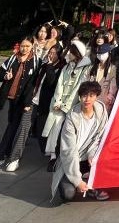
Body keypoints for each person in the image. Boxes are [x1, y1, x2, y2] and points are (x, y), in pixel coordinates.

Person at [0, 38, 40, 170]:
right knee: (0, 127)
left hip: (21, 101)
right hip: (6, 98)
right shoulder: (12, 59)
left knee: (13, 129)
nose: (24, 48)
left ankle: (8, 155)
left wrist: (27, 102)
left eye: (27, 46)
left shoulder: (36, 62)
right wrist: (5, 76)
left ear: (32, 47)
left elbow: (33, 85)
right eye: (22, 46)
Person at [50, 81, 110, 203]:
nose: (87, 99)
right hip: (72, 159)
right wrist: (77, 181)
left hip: (88, 158)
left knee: (105, 155)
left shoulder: (101, 111)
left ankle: (92, 184)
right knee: (68, 193)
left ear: (96, 96)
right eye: (84, 95)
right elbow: (69, 150)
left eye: (91, 95)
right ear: (80, 96)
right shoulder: (72, 117)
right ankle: (81, 181)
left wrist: (92, 154)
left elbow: (99, 138)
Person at [42, 39, 92, 171]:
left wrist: (66, 105)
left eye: (71, 51)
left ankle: (64, 157)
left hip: (73, 105)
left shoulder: (86, 68)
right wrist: (58, 101)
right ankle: (53, 156)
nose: (68, 53)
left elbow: (78, 88)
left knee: (67, 133)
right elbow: (59, 84)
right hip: (59, 104)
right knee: (55, 129)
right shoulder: (66, 67)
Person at [32, 44, 65, 160]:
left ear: (59, 55)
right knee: (36, 127)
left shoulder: (61, 67)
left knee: (43, 128)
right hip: (36, 99)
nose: (50, 55)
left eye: (53, 53)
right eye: (50, 52)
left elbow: (52, 81)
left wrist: (50, 65)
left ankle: (48, 150)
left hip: (48, 102)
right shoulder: (44, 65)